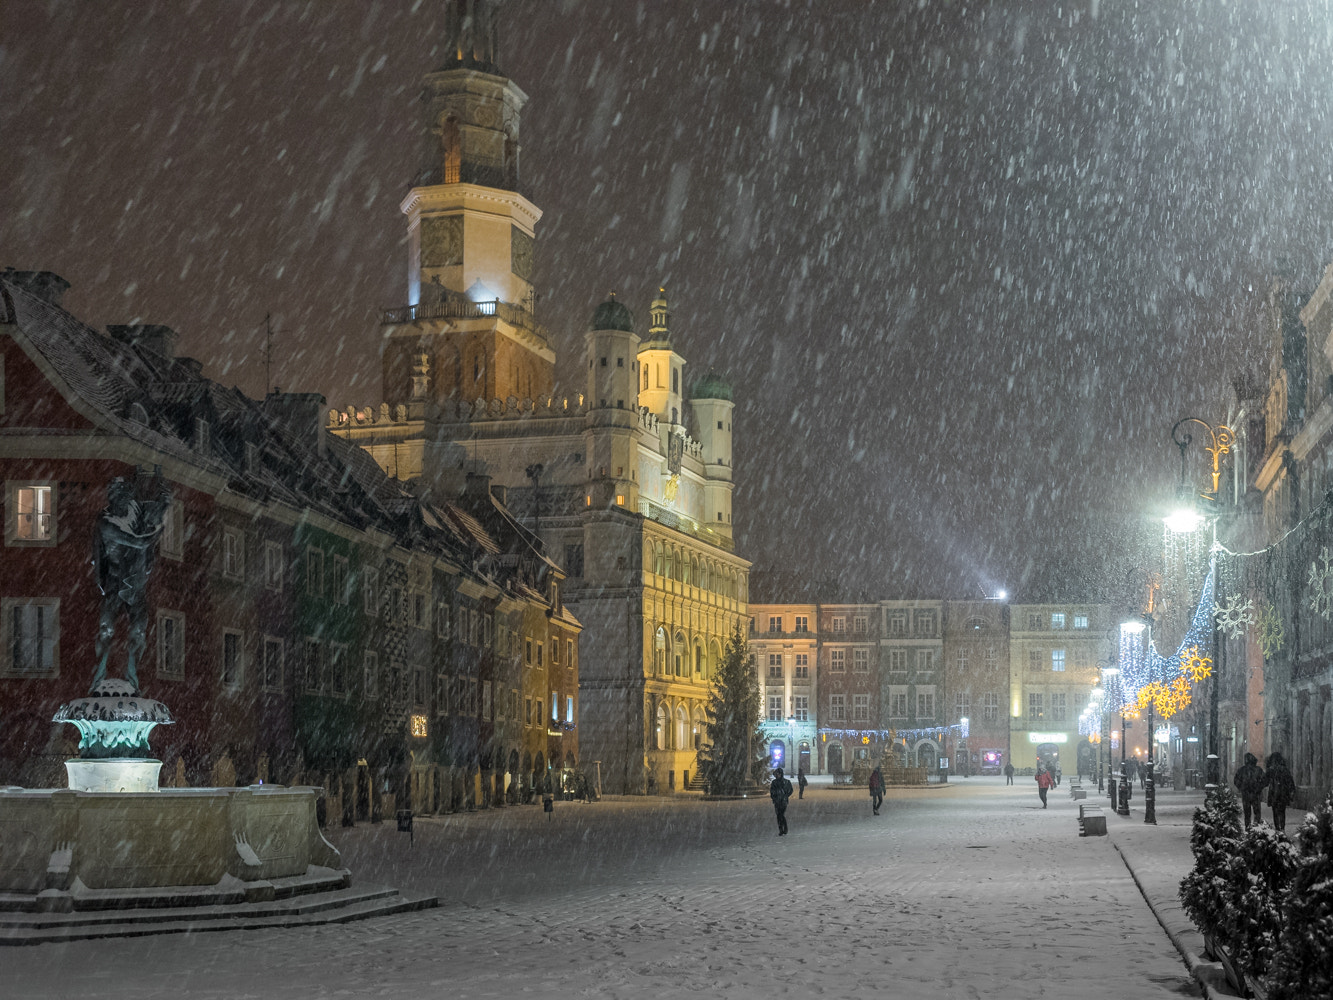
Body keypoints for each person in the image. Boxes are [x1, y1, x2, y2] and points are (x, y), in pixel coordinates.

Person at [1233, 752, 1267, 829]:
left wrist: (1241, 787)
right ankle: (1257, 826)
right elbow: (1265, 781)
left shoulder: (1242, 770)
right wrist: (1259, 787)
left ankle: (1248, 827)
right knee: (1257, 811)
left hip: (1246, 794)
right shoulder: (1258, 770)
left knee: (1247, 813)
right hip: (1256, 794)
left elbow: (1236, 780)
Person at [1265, 752, 1296, 832]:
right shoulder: (1285, 770)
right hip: (1283, 793)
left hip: (1273, 793)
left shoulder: (1271, 770)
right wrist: (1291, 791)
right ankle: (1282, 828)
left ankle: (1277, 828)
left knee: (1275, 811)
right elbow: (1290, 782)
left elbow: (1265, 781)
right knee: (1282, 811)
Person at [769, 767, 793, 836]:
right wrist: (774, 797)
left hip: (783, 801)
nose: (777, 775)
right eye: (776, 774)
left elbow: (790, 790)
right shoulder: (774, 782)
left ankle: (784, 828)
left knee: (781, 815)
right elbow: (772, 791)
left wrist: (785, 796)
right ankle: (781, 829)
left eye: (778, 774)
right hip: (777, 801)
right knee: (778, 815)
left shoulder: (786, 782)